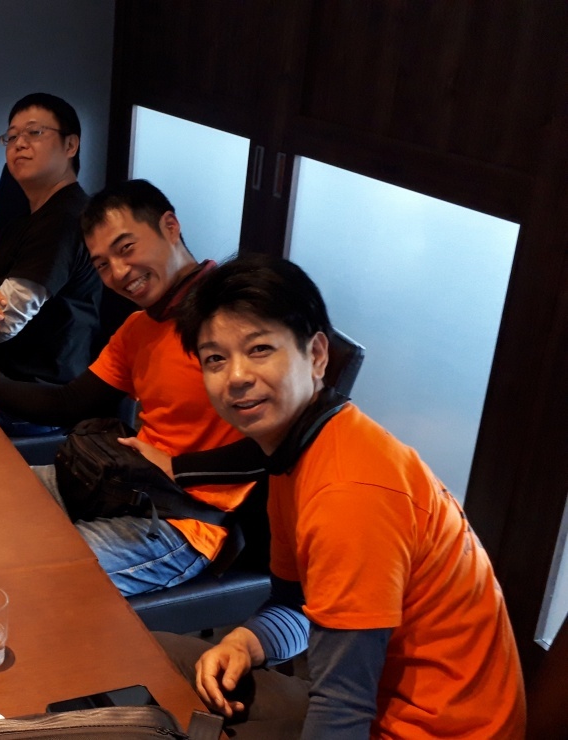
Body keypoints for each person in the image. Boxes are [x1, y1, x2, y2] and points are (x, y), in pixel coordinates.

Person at [159, 255, 524, 739]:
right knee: (157, 659)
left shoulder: (347, 493)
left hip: (437, 728)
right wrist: (246, 642)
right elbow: (298, 606)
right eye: (215, 359)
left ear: (316, 355)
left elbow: (342, 707)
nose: (237, 376)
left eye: (260, 349)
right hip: (379, 703)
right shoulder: (296, 452)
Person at [0, 180, 255, 596]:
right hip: (121, 486)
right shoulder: (140, 329)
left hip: (185, 523)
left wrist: (179, 468)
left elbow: (285, 438)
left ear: (170, 226)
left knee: (27, 578)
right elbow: (71, 402)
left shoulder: (240, 320)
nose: (119, 273)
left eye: (127, 248)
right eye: (102, 264)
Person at [0, 92, 101, 387]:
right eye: (12, 136)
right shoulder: (26, 217)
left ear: (71, 145)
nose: (19, 143)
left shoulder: (65, 219)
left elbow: (4, 322)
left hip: (34, 387)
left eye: (35, 132)